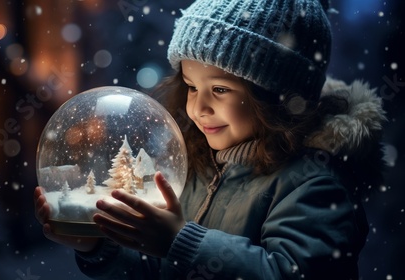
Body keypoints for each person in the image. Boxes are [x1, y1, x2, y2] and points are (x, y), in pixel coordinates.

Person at [34, 0, 387, 278]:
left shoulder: (314, 185)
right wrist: (96, 249)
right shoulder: (197, 166)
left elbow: (293, 273)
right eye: (190, 86)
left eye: (219, 89)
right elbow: (158, 273)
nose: (198, 107)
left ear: (277, 96)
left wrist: (179, 242)